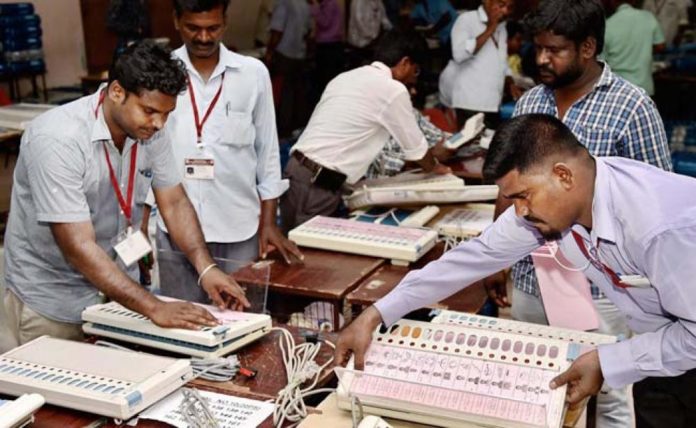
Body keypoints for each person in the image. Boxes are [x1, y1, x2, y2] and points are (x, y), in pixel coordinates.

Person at [336, 114, 696, 428]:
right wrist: (378, 312)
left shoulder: (660, 229)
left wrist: (608, 360)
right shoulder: (558, 204)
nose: (520, 213)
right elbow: (476, 255)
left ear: (563, 175)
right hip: (666, 352)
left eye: (524, 196)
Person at [485, 1, 673, 425]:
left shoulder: (632, 108)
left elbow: (655, 200)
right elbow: (511, 184)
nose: (542, 59)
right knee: (535, 383)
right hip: (534, 277)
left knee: (607, 394)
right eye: (538, 48)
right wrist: (496, 258)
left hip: (601, 287)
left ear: (588, 47)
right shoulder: (533, 99)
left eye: (555, 50)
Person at [2, 40, 248, 348]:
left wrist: (206, 268)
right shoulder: (57, 139)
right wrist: (154, 306)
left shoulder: (149, 129)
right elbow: (77, 246)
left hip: (116, 295)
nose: (159, 123)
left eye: (167, 113)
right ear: (117, 92)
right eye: (149, 111)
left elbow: (173, 202)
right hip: (53, 302)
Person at [147, 0, 303, 303]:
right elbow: (144, 153)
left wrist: (269, 222)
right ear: (176, 21)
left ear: (225, 23)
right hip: (174, 230)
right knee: (181, 323)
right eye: (193, 28)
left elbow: (268, 151)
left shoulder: (252, 74)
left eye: (212, 28)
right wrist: (141, 225)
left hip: (239, 227)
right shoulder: (159, 73)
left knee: (241, 323)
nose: (204, 38)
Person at [280, 31, 451, 231]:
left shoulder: (346, 77)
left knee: (293, 249)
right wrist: (436, 168)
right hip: (318, 185)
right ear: (405, 62)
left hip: (297, 172)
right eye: (416, 71)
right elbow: (418, 151)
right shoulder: (392, 89)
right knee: (309, 254)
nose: (414, 80)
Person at [438, 0, 522, 129]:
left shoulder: (502, 27)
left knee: (490, 145)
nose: (505, 11)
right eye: (501, 5)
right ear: (486, 1)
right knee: (469, 147)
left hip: (493, 104)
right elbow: (459, 54)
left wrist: (510, 82)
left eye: (509, 7)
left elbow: (501, 61)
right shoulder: (466, 20)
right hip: (469, 104)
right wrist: (489, 29)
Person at [266, 0, 313, 139]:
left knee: (281, 93)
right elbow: (308, 31)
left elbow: (277, 31)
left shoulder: (283, 3)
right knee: (296, 92)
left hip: (284, 54)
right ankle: (295, 128)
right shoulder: (304, 4)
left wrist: (269, 52)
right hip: (299, 54)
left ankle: (281, 129)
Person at [603, 0, 666, 96]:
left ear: (612, 2)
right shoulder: (648, 17)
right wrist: (644, 50)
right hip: (644, 88)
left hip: (618, 90)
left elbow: (602, 62)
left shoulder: (607, 25)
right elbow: (660, 46)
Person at [310, 0, 345, 94]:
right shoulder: (329, 4)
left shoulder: (330, 4)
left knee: (325, 79)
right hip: (331, 45)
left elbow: (325, 22)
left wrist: (313, 9)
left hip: (329, 46)